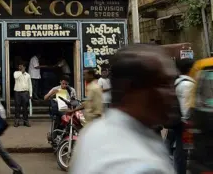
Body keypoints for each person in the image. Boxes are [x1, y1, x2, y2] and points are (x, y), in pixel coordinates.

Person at [70, 44, 176, 174]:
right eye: (164, 84)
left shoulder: (92, 133)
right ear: (131, 89)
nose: (173, 92)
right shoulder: (140, 165)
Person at [171, 58, 195, 174]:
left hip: (180, 123)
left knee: (181, 150)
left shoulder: (179, 82)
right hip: (186, 124)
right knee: (186, 151)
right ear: (190, 69)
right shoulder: (187, 85)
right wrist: (189, 124)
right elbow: (186, 108)